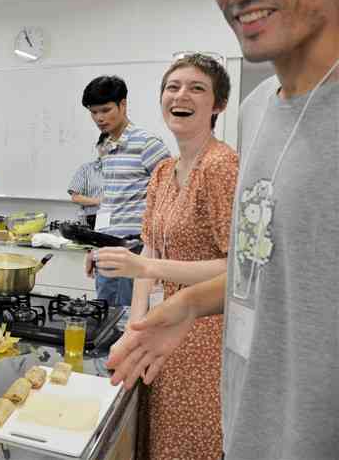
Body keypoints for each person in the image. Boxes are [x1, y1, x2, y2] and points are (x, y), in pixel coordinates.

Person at [107, 0, 339, 459]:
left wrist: (160, 284)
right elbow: (263, 269)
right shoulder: (259, 112)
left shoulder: (221, 164)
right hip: (250, 410)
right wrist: (177, 307)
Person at [95, 54, 237, 459]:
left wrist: (148, 266)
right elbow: (150, 246)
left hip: (206, 329)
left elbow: (239, 268)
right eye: (172, 87)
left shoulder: (222, 166)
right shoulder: (163, 171)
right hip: (162, 322)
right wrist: (135, 326)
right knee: (153, 435)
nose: (181, 95)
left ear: (218, 104)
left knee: (189, 438)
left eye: (197, 88)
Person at [81, 75, 170, 306]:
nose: (99, 118)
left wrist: (157, 254)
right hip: (108, 248)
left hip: (135, 249)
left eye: (105, 110)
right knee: (104, 318)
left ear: (123, 104)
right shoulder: (106, 146)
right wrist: (96, 249)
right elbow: (109, 202)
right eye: (93, 112)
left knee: (128, 323)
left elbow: (171, 196)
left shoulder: (147, 144)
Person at [67, 132, 108, 228]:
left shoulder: (124, 171)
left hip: (119, 219)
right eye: (107, 145)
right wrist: (100, 201)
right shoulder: (86, 169)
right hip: (93, 218)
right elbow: (75, 197)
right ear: (99, 147)